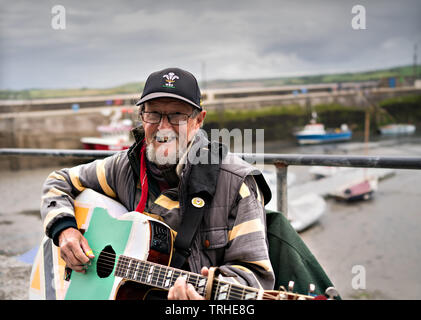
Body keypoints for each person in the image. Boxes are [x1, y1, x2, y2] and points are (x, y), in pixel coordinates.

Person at [40, 67, 275, 300]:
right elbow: (59, 181)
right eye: (153, 114)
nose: (163, 126)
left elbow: (253, 278)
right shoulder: (123, 167)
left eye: (177, 116)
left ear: (198, 120)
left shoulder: (236, 183)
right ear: (142, 116)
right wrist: (65, 231)